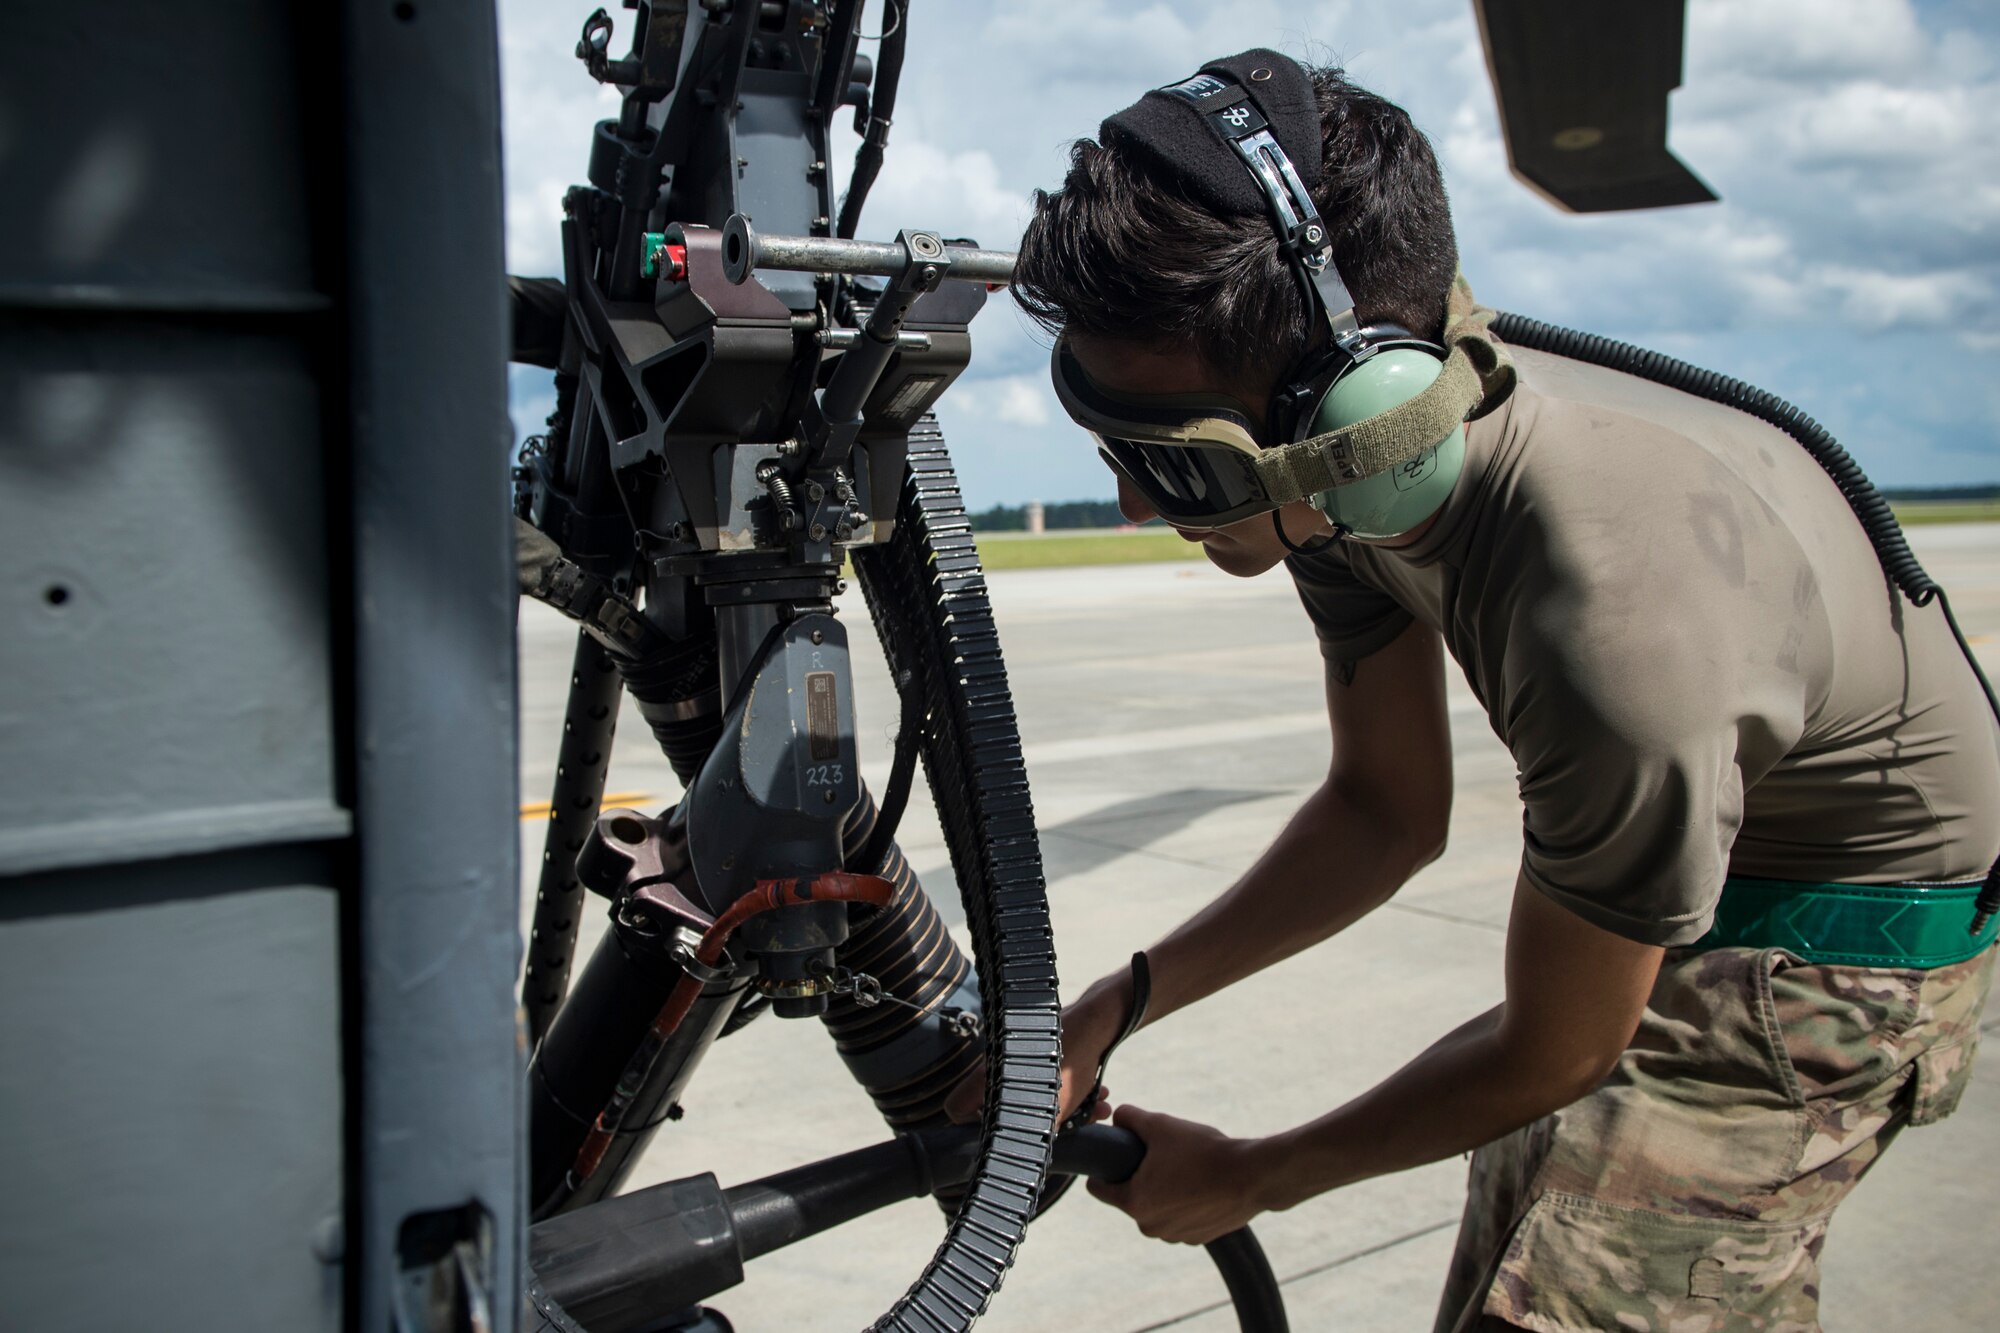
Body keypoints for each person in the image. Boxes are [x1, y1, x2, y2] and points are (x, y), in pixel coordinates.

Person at [979, 49, 2000, 1332]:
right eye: (1109, 450)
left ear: (1368, 407)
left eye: (1175, 469)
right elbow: (1383, 810)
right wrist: (1114, 1004)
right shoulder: (1342, 483)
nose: (1132, 506)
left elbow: (1551, 1048)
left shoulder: (1610, 619)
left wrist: (1253, 1175)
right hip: (1688, 861)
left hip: (1829, 940)